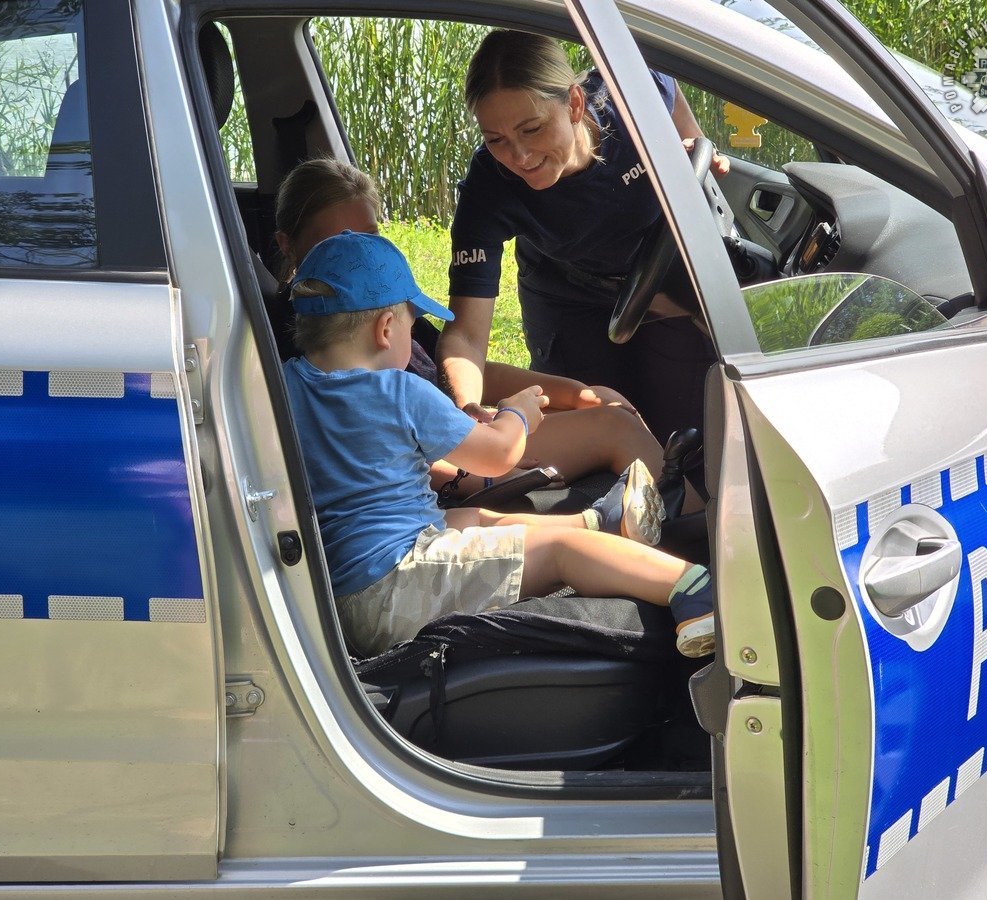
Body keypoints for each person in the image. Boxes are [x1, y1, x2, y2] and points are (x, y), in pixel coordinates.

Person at [282, 230, 714, 659]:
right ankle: (694, 590)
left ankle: (600, 521)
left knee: (470, 518)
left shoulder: (284, 386)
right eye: (412, 329)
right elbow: (496, 456)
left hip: (344, 591)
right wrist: (517, 414)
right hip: (400, 586)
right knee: (561, 555)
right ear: (386, 328)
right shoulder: (397, 392)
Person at [271, 158, 700, 513]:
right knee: (614, 429)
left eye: (368, 236)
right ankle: (704, 532)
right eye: (333, 241)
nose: (356, 253)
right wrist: (469, 475)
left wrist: (575, 392)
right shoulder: (313, 328)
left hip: (467, 434)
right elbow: (359, 455)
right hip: (449, 461)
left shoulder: (378, 299)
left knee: (608, 407)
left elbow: (448, 367)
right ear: (288, 245)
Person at [439, 30, 727, 445]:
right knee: (595, 423)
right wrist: (468, 418)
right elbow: (465, 334)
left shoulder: (628, 99)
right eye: (495, 139)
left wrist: (690, 140)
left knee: (689, 427)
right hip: (563, 293)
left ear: (574, 104)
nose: (518, 156)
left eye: (532, 129)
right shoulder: (490, 185)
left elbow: (665, 85)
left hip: (655, 283)